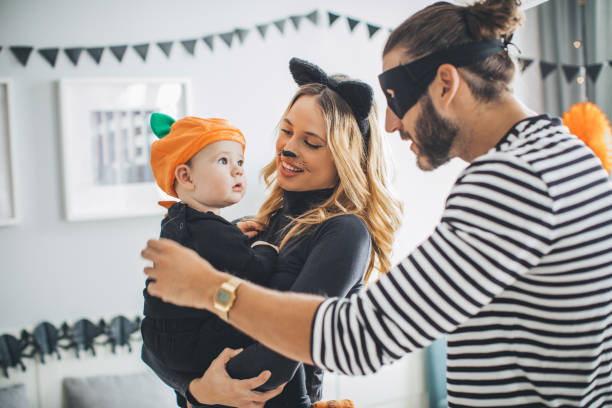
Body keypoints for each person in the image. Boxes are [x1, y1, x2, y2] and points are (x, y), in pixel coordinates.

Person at [141, 1, 612, 406]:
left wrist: (210, 290)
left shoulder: (512, 182)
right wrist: (196, 386)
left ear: (446, 85)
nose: (388, 125)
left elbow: (359, 337)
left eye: (394, 99)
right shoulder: (564, 155)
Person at [147, 58, 402, 408]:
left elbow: (281, 354)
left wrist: (202, 392)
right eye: (286, 130)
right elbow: (157, 340)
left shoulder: (344, 233)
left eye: (311, 142)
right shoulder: (256, 226)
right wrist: (194, 388)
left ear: (346, 158)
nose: (288, 147)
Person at [140, 114, 281, 406]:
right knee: (248, 313)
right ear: (186, 177)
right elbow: (257, 270)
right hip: (194, 345)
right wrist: (266, 245)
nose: (238, 171)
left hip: (160, 341)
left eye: (240, 162)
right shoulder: (211, 231)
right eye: (223, 162)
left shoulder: (177, 221)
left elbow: (212, 248)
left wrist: (231, 234)